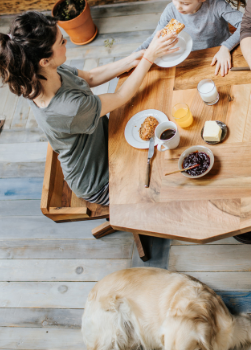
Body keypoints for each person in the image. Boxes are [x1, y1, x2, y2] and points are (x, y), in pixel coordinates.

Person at [0, 11, 178, 205]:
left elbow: (91, 77)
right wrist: (148, 59)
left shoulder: (41, 74)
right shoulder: (68, 108)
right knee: (167, 185)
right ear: (45, 61)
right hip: (102, 181)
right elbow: (121, 96)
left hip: (105, 141)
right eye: (61, 42)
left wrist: (132, 59)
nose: (66, 42)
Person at [136, 0, 246, 77]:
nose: (178, 7)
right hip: (193, 60)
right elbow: (156, 37)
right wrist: (134, 56)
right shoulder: (171, 11)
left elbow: (246, 24)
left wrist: (226, 48)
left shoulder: (216, 6)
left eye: (185, 3)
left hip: (221, 54)